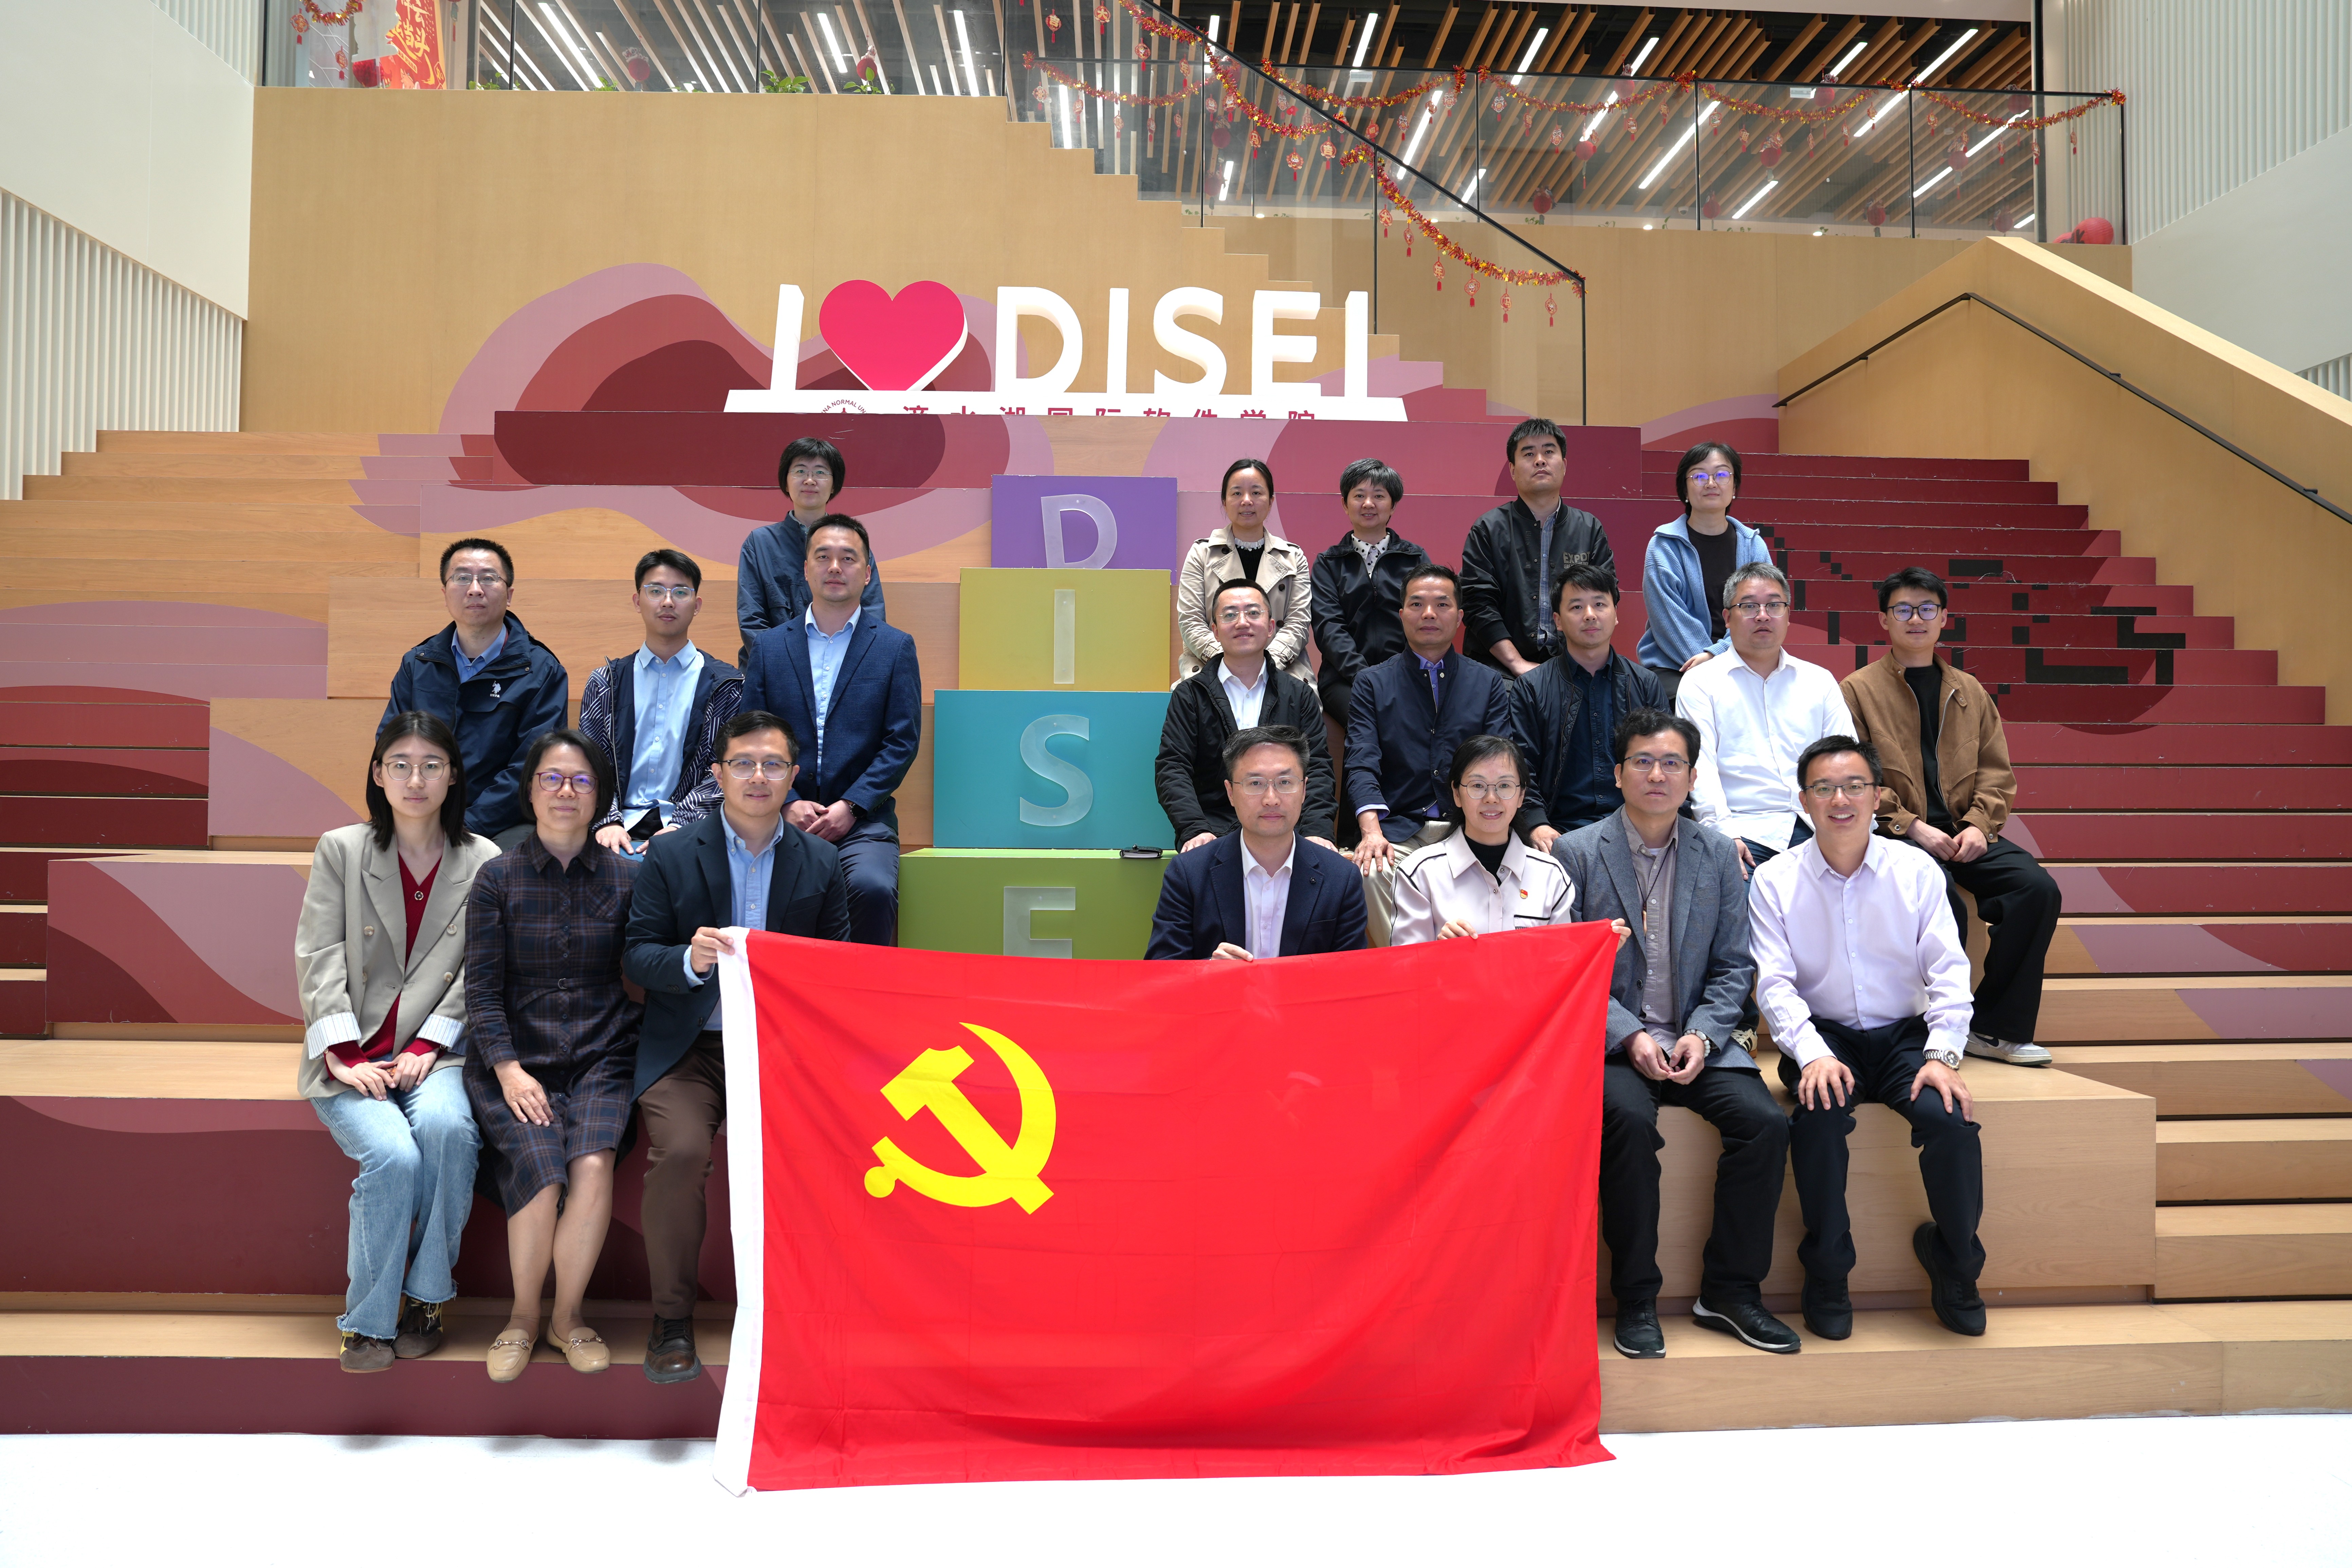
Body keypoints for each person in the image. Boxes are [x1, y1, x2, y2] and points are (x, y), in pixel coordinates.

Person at [1555, 710, 1799, 1359]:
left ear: (1692, 778)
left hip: (1698, 1039)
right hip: (1614, 1042)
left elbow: (1734, 966)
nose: (1656, 774)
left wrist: (1702, 1034)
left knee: (1765, 1125)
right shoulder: (1577, 852)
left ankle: (1730, 1291)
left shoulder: (1718, 853)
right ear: (1617, 773)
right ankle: (1636, 1295)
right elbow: (1570, 966)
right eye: (1642, 761)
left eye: (1671, 763)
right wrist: (1629, 1035)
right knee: (1628, 1124)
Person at [623, 710, 851, 1383]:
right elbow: (637, 955)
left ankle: (802, 1316)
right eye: (743, 763)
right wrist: (688, 960)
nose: (758, 776)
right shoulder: (670, 853)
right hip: (689, 1047)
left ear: (793, 775)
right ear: (717, 774)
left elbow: (839, 968)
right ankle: (671, 1319)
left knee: (816, 1156)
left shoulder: (822, 860)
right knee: (680, 1152)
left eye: (772, 764)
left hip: (783, 1052)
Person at [1750, 735, 1987, 1340]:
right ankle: (1828, 1269)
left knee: (1950, 1121)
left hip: (1906, 1035)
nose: (1840, 799)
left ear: (1878, 795)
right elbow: (1774, 985)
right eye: (1824, 788)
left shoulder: (1916, 870)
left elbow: (1949, 969)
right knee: (1819, 1119)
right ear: (1803, 800)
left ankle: (1957, 1263)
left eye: (1854, 786)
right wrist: (1812, 1055)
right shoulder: (1774, 879)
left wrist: (1942, 1054)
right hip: (1824, 1036)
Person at [295, 712, 501, 1373]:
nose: (416, 779)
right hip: (350, 1053)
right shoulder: (341, 848)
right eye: (401, 765)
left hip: (439, 1052)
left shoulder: (484, 859)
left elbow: (480, 967)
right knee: (392, 1155)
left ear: (453, 775)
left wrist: (428, 1045)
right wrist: (342, 1051)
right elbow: (319, 952)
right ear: (378, 774)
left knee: (448, 1130)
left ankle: (428, 1297)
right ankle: (368, 1321)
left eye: (432, 765)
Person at [462, 730, 641, 1382]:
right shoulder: (497, 876)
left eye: (582, 780)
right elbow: (481, 989)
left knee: (592, 1162)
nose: (566, 791)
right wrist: (507, 1068)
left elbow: (648, 963)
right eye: (552, 778)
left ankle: (568, 1317)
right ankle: (522, 1317)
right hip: (517, 1057)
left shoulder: (628, 876)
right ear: (531, 789)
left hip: (602, 1051)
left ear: (600, 795)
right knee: (541, 1173)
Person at [1841, 567, 2061, 1068]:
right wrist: (1911, 825)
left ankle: (1995, 1028)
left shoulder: (1969, 690)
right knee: (1939, 894)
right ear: (1884, 619)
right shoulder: (1857, 690)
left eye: (1926, 608)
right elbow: (1853, 777)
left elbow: (1996, 772)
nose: (1915, 618)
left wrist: (1981, 826)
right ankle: (1932, 1027)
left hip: (1966, 830)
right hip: (1896, 831)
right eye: (1902, 609)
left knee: (2035, 889)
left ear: (1944, 618)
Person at [740, 514, 921, 945]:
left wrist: (852, 806)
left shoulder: (895, 647)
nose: (835, 567)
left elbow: (902, 741)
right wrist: (788, 802)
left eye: (848, 558)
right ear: (806, 569)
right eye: (823, 557)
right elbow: (751, 737)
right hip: (779, 817)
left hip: (864, 821)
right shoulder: (769, 646)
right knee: (757, 891)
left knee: (873, 889)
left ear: (868, 572)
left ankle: (862, 990)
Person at [1343, 564, 1513, 946]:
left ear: (1460, 616)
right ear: (1401, 614)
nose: (1429, 614)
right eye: (1417, 604)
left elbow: (1499, 763)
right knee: (1371, 870)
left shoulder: (1487, 682)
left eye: (1442, 604)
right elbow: (1361, 761)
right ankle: (1411, 965)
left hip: (1468, 827)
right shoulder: (1372, 683)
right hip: (1400, 828)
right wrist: (1371, 831)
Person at [385, 537, 568, 849]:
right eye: (462, 578)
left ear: (509, 594)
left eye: (488, 578)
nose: (474, 589)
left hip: (504, 823)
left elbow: (532, 766)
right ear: (445, 593)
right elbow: (391, 748)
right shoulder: (417, 664)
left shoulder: (542, 670)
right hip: (421, 813)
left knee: (501, 864)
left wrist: (465, 826)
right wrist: (420, 816)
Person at [1676, 562, 1850, 876]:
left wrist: (1852, 828)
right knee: (1735, 899)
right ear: (1727, 618)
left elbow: (1846, 761)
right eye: (1749, 606)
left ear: (1788, 615)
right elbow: (1701, 768)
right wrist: (1724, 835)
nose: (1763, 615)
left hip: (1818, 825)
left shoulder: (1819, 681)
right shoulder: (1701, 683)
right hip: (1744, 831)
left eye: (1774, 605)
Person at [1145, 724, 1368, 960]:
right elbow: (1161, 969)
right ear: (1231, 793)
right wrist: (1209, 970)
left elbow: (1352, 975)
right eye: (1255, 783)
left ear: (1304, 790)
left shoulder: (1341, 879)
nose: (1271, 799)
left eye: (1285, 782)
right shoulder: (1188, 874)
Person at [578, 550, 743, 855]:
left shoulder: (729, 686)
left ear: (697, 605)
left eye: (681, 592)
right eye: (655, 591)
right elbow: (587, 762)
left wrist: (683, 826)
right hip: (613, 828)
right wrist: (606, 820)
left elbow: (729, 767)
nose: (668, 602)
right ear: (637, 601)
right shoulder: (605, 682)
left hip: (692, 829)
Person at [1156, 580, 1336, 852]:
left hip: (1288, 832)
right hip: (1213, 832)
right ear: (1215, 631)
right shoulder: (1190, 695)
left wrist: (1316, 831)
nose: (1242, 623)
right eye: (1230, 615)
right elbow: (1173, 767)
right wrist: (1195, 829)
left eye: (1253, 613)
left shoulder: (1299, 695)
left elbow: (1318, 768)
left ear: (1271, 627)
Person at [1389, 734, 1611, 947]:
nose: (1491, 798)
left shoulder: (1551, 876)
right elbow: (1404, 966)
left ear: (1522, 795)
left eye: (1505, 786)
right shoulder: (1419, 873)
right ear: (1457, 794)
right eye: (1478, 785)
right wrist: (1441, 952)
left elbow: (1561, 963)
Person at [1507, 561, 1665, 853]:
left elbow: (1664, 759)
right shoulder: (1531, 688)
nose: (1590, 615)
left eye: (1600, 604)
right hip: (1559, 830)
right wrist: (1536, 823)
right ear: (1558, 620)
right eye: (1577, 607)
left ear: (1616, 614)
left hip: (1636, 826)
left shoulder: (1645, 684)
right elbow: (1520, 765)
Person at [1460, 417, 1615, 677]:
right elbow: (1478, 604)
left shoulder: (1590, 529)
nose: (1540, 460)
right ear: (1512, 470)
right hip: (1499, 669)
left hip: (1573, 666)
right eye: (1529, 454)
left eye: (1549, 452)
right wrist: (1517, 664)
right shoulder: (1488, 529)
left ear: (1564, 465)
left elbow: (1605, 599)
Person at [1636, 441, 1771, 706]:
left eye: (1721, 474)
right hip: (1677, 664)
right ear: (1684, 490)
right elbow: (1669, 620)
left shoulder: (1753, 545)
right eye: (1699, 476)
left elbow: (1762, 611)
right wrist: (1711, 667)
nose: (1711, 483)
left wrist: (1718, 655)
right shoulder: (1664, 546)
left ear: (1735, 487)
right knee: (1697, 704)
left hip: (1742, 659)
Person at [1308, 458, 1432, 730]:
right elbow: (1329, 628)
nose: (1368, 504)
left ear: (1393, 505)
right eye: (1359, 496)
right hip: (1344, 679)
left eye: (1379, 496)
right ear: (1345, 504)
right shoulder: (1329, 563)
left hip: (1407, 674)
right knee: (1369, 720)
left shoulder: (1415, 558)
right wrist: (1364, 676)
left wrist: (1397, 674)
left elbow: (1425, 621)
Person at [736, 436, 886, 661]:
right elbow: (752, 621)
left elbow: (873, 615)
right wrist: (789, 669)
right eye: (800, 471)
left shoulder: (853, 543)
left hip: (842, 668)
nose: (809, 480)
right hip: (774, 669)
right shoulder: (759, 544)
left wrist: (836, 669)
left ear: (834, 485)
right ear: (786, 482)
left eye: (820, 472)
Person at [1174, 458, 1312, 681]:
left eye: (1256, 493)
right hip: (1212, 668)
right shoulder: (1201, 554)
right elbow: (1191, 621)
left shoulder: (1293, 557)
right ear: (1224, 501)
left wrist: (1267, 665)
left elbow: (1298, 623)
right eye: (1237, 493)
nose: (1247, 501)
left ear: (1271, 501)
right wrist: (1229, 664)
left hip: (1281, 670)